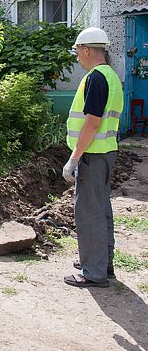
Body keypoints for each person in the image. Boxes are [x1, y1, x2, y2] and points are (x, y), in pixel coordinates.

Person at [62, 27, 123, 288]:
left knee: (88, 212)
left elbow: (92, 123)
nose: (77, 58)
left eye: (77, 52)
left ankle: (93, 272)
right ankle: (102, 263)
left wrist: (74, 158)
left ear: (87, 50)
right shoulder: (111, 76)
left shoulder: (96, 78)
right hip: (106, 152)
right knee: (101, 209)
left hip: (92, 156)